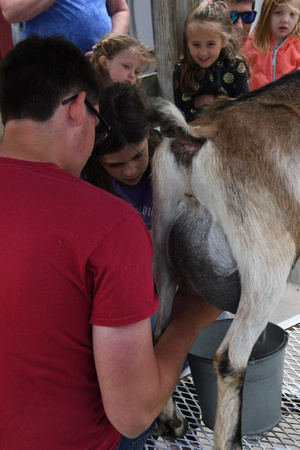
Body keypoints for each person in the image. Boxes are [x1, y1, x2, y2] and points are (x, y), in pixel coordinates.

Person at [0, 35, 222, 450]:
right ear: (76, 108)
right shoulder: (109, 225)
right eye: (98, 127)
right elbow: (133, 412)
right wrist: (188, 321)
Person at [82, 82, 159, 231]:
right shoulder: (85, 182)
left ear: (149, 131)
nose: (130, 172)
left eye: (138, 155)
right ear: (95, 156)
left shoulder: (171, 169)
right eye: (114, 164)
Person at [173, 1, 250, 123]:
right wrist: (227, 103)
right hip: (194, 133)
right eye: (196, 44)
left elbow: (245, 107)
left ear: (224, 40)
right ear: (187, 42)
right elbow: (182, 115)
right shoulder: (182, 70)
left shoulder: (236, 65)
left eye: (210, 44)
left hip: (229, 131)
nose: (203, 53)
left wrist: (211, 101)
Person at [0, 0, 130, 54]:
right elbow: (11, 11)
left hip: (99, 70)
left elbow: (120, 11)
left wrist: (112, 44)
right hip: (49, 74)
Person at [242, 0, 300, 90]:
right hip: (255, 102)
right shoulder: (250, 45)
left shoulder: (298, 47)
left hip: (285, 103)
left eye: (292, 14)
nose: (285, 20)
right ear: (267, 14)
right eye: (278, 12)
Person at [91, 33, 156, 86]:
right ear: (104, 62)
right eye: (126, 66)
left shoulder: (129, 97)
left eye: (136, 72)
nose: (132, 75)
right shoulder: (89, 94)